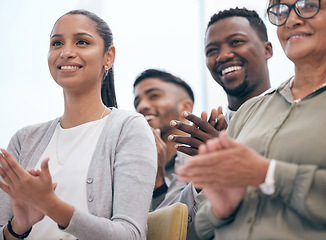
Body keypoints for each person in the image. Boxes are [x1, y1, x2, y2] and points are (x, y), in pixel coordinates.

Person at [177, 0, 326, 239]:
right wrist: (222, 208)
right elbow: (202, 225)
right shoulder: (250, 111)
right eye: (281, 11)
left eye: (308, 5)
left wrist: (267, 174)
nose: (291, 20)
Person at [0, 10, 157, 240]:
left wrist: (51, 206)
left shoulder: (129, 128)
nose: (66, 52)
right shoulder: (24, 140)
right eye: (57, 43)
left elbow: (130, 235)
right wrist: (17, 228)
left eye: (82, 42)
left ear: (108, 57)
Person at [162, 8, 274, 239]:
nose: (223, 56)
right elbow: (170, 225)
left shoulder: (294, 113)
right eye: (212, 50)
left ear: (267, 49)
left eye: (236, 42)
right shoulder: (198, 139)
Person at [133, 69, 194, 210]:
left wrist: (158, 185)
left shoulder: (201, 160)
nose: (142, 107)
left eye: (154, 96)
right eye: (137, 103)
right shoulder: (136, 168)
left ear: (186, 108)